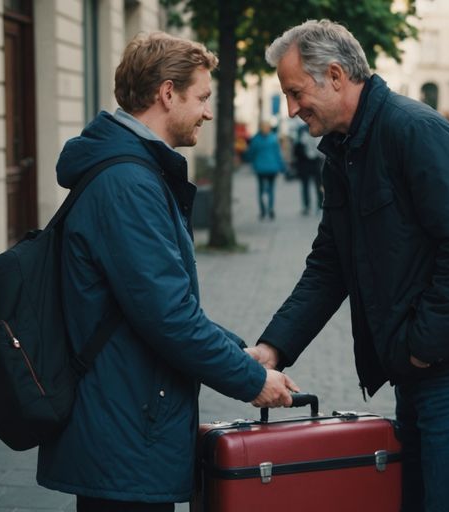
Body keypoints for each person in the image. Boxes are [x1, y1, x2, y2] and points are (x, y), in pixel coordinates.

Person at [248, 20, 449, 511]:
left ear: (335, 75)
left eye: (295, 93)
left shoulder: (416, 132)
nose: (292, 109)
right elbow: (329, 265)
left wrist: (421, 346)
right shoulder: (343, 153)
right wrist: (273, 349)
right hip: (421, 365)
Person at [36, 32, 298, 512]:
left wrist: (237, 350)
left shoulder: (134, 173)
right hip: (125, 427)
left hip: (129, 416)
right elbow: (168, 316)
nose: (208, 112)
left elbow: (154, 302)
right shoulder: (128, 183)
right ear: (167, 93)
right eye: (201, 97)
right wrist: (251, 380)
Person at [245, 121, 287, 220]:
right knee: (271, 190)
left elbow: (251, 153)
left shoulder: (255, 139)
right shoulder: (273, 138)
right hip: (272, 168)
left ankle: (263, 211)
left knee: (261, 190)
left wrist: (248, 159)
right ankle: (271, 209)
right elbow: (278, 154)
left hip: (260, 169)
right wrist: (282, 167)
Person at [292, 117, 324, 214]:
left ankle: (318, 205)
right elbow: (297, 147)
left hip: (315, 161)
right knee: (307, 185)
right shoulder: (301, 131)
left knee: (317, 185)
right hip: (306, 162)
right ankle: (307, 206)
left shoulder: (318, 129)